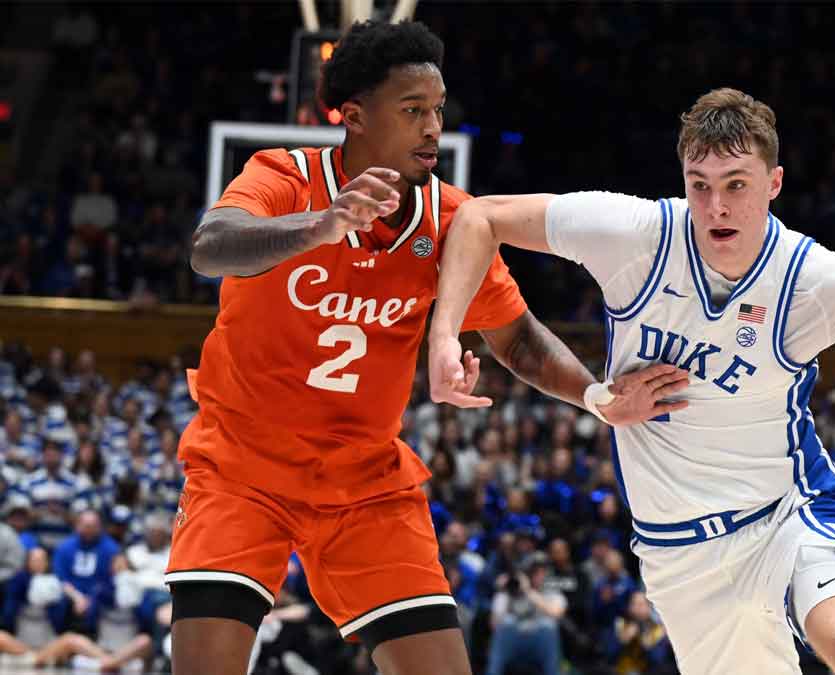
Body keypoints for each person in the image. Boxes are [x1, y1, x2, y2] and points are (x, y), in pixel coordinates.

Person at [427, 87, 835, 674]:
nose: (715, 204)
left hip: (787, 515)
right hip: (680, 557)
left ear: (773, 183)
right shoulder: (634, 235)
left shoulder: (822, 284)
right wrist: (444, 335)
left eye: (735, 184)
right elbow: (478, 217)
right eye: (700, 183)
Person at [168, 20, 674, 675]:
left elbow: (515, 336)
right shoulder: (284, 177)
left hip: (365, 483)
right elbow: (212, 246)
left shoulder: (452, 219)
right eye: (412, 111)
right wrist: (320, 226)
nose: (432, 126)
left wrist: (597, 396)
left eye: (436, 109)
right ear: (353, 116)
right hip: (241, 469)